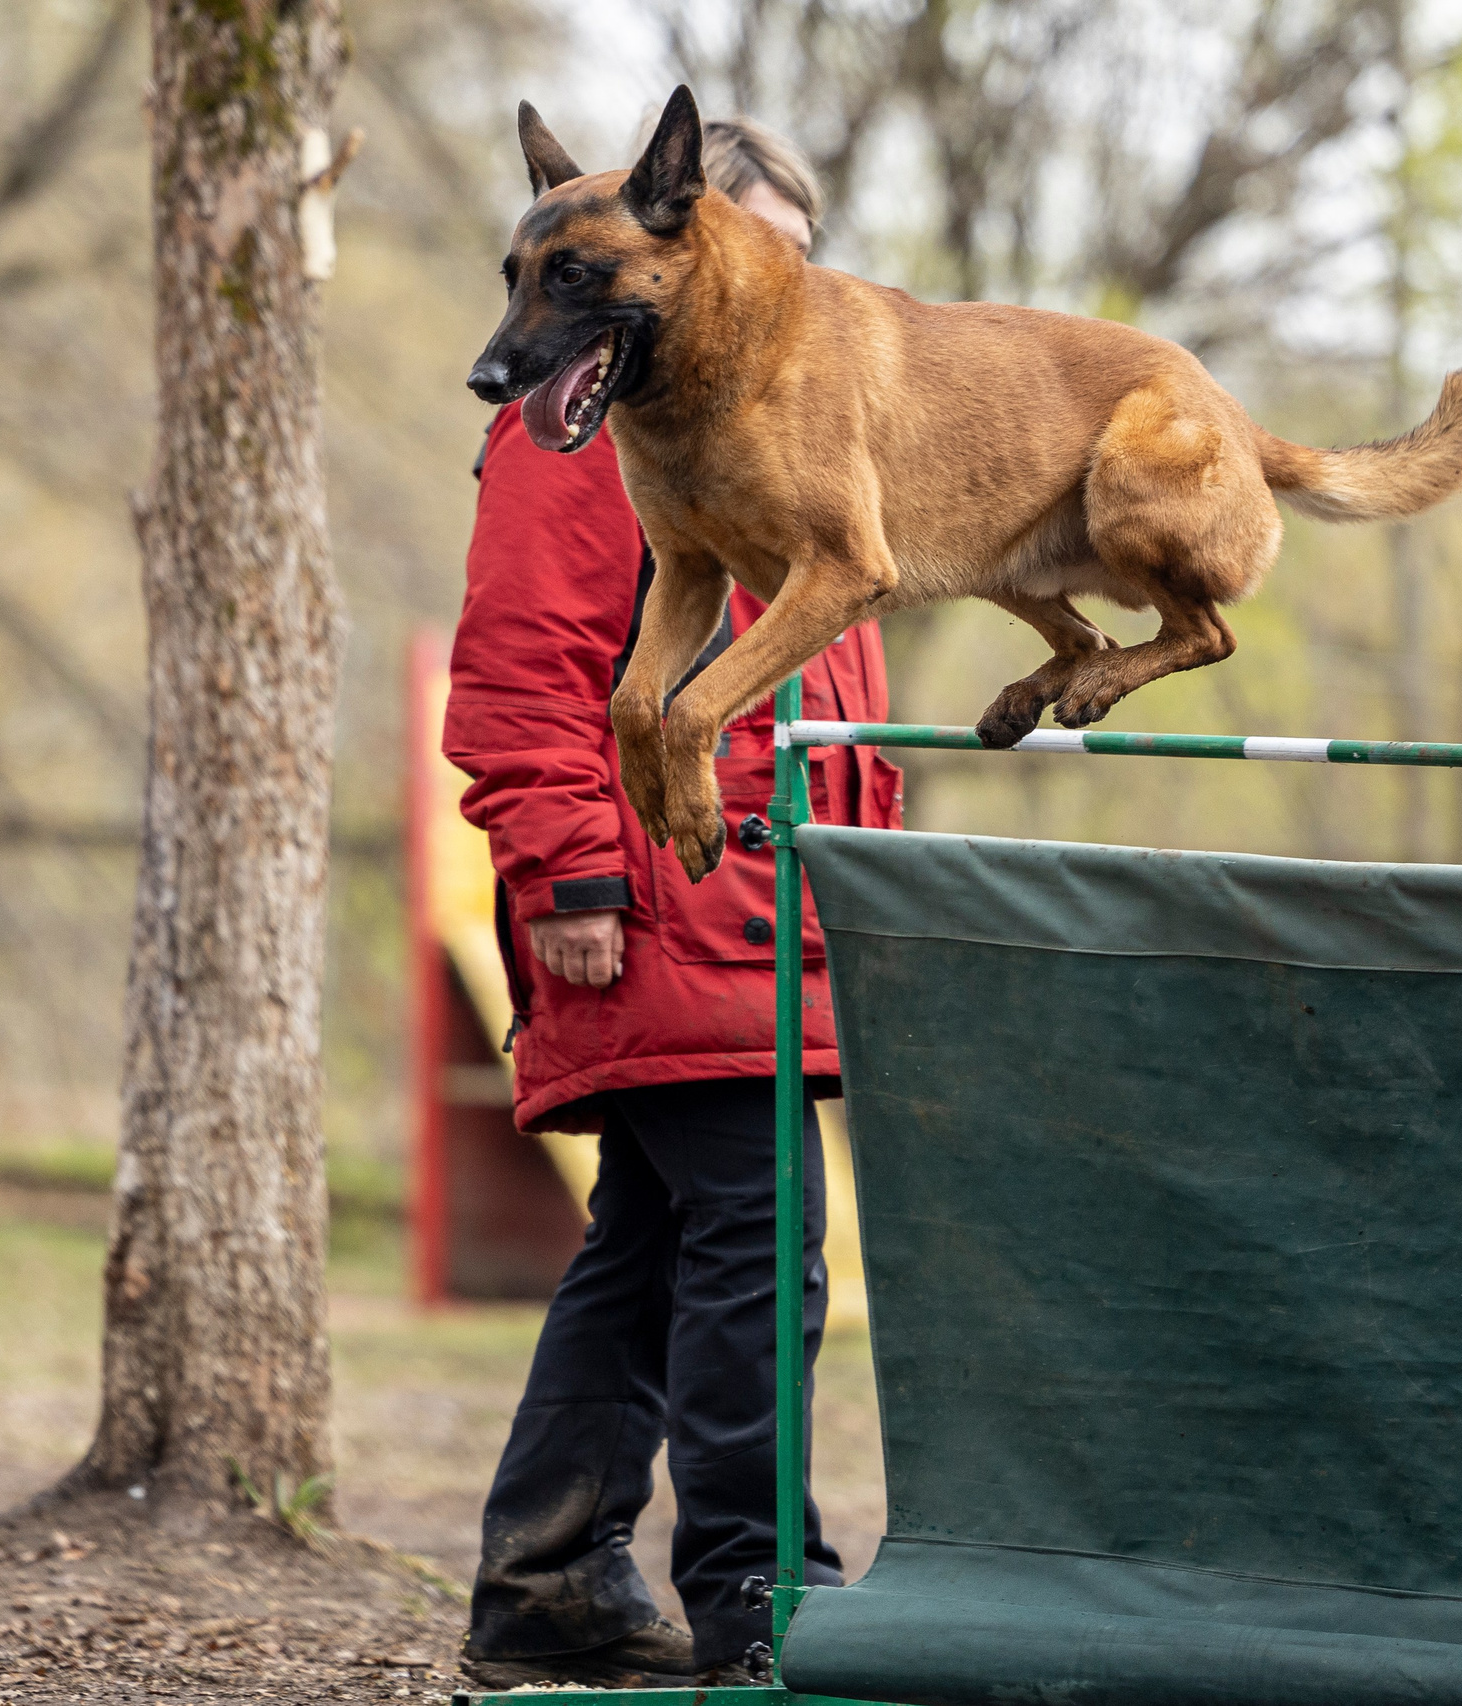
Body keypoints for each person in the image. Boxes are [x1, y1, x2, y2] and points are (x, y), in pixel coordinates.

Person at [443, 116, 904, 1690]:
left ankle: (549, 1584)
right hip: (650, 903)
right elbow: (518, 662)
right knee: (761, 1234)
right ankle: (761, 1589)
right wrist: (567, 864)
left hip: (767, 916)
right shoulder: (588, 422)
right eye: (722, 235)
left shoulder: (784, 420)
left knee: (647, 1248)